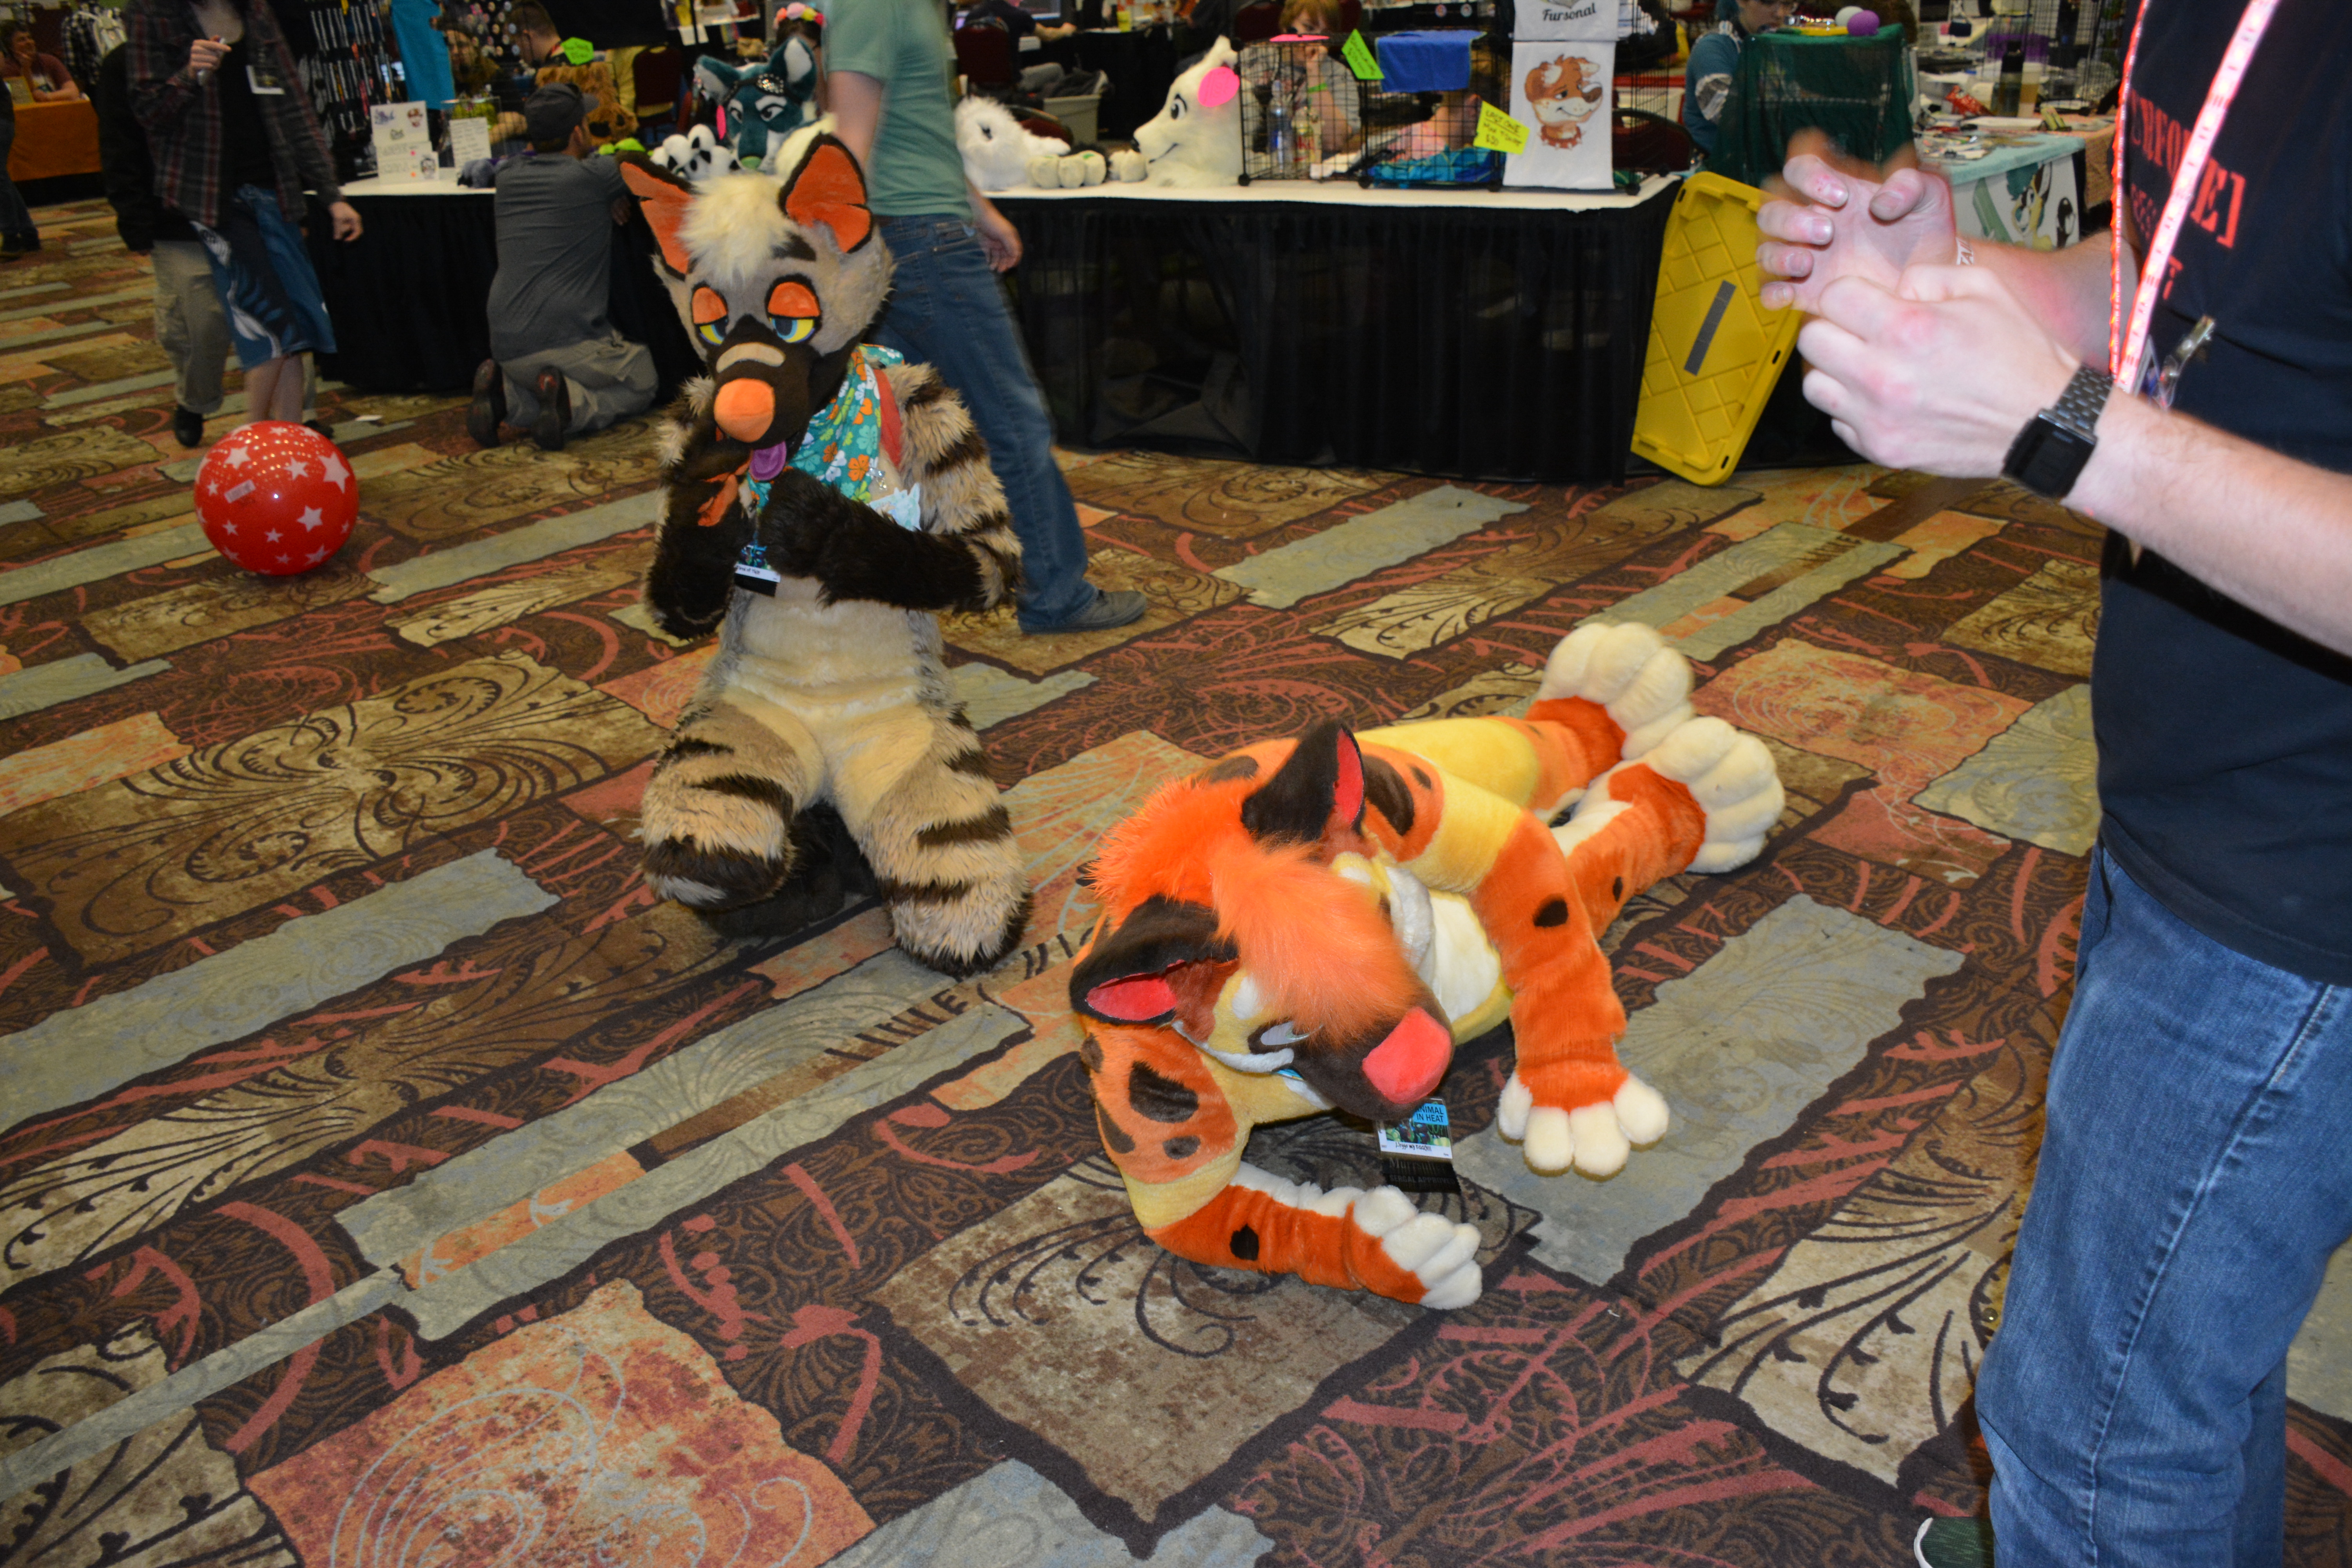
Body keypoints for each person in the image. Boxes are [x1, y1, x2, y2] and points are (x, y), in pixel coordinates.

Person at [1751, 3, 2352, 1564]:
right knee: (2178, 1360)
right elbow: (2212, 282)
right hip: (2198, 775)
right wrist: (1964, 283)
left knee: (2095, 1437)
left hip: (2308, 886)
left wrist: (2067, 431)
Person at [827, 0, 1145, 634]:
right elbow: (849, 146)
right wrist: (835, 252)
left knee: (895, 433)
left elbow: (918, 129)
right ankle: (1056, 594)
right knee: (1006, 423)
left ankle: (882, 601)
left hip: (913, 234)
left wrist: (976, 210)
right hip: (914, 242)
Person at [123, 0, 363, 429]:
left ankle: (288, 440)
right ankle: (252, 443)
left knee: (295, 328)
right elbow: (148, 112)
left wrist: (332, 197)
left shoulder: (257, 13)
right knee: (266, 330)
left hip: (275, 194)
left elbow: (295, 110)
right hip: (215, 201)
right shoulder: (152, 13)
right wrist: (190, 75)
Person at [468, 83, 655, 451]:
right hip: (566, 338)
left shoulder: (508, 176)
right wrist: (611, 193)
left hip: (505, 340)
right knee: (643, 378)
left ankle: (506, 399)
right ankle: (573, 406)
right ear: (578, 133)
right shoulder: (595, 176)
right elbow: (645, 163)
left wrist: (605, 197)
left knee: (540, 378)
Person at [1682, 0, 1791, 162]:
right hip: (1715, 163)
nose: (1780, 14)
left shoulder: (1774, 43)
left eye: (1788, 4)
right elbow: (1729, 117)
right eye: (1768, 2)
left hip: (1763, 158)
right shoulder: (1712, 48)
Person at [3, 21, 82, 102]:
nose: (29, 42)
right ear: (11, 47)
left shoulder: (50, 60)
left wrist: (47, 97)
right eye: (22, 40)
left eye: (30, 38)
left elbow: (73, 92)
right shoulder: (7, 69)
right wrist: (26, 68)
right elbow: (25, 100)